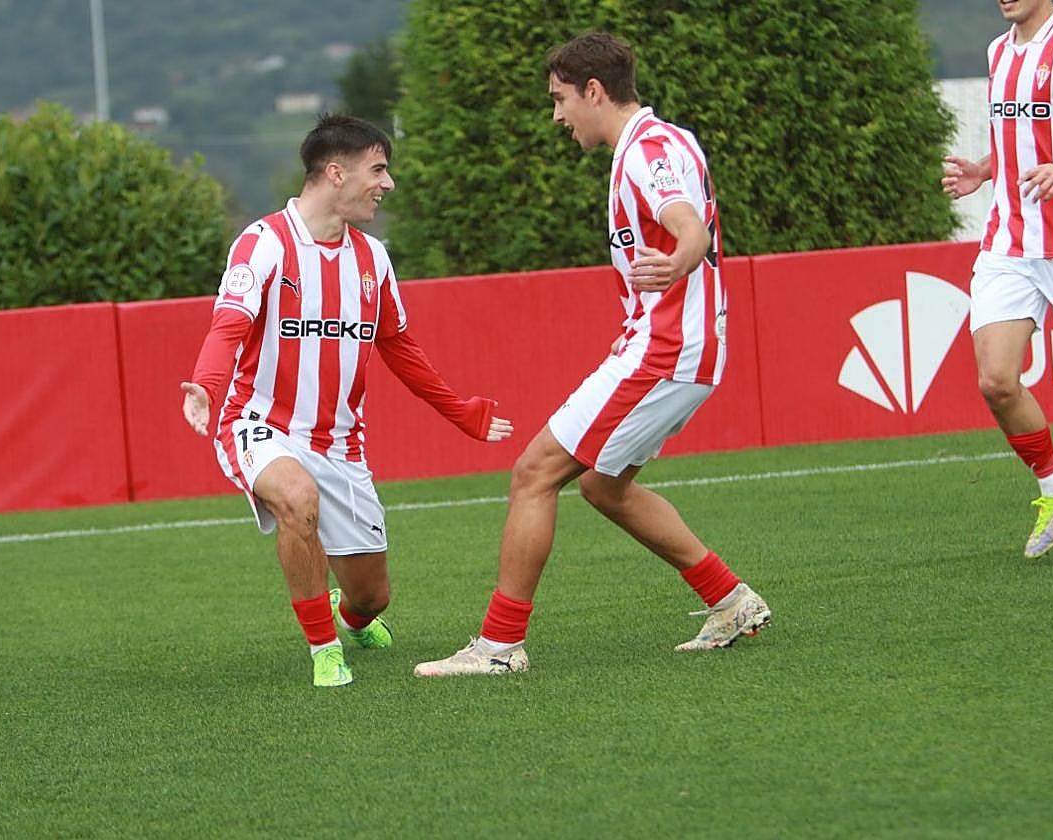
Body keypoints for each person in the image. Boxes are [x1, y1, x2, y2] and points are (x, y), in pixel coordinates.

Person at [414, 32, 770, 678]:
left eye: (560, 99)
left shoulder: (646, 152)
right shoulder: (662, 141)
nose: (557, 115)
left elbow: (686, 226)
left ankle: (498, 648)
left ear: (595, 91)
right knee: (604, 487)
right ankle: (729, 598)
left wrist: (675, 265)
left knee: (533, 472)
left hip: (665, 352)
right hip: (672, 346)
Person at [181, 114, 513, 688]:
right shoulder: (263, 244)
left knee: (372, 596)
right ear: (335, 173)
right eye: (378, 169)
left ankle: (350, 619)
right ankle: (323, 649)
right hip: (258, 424)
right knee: (296, 499)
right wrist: (207, 386)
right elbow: (228, 327)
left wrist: (462, 412)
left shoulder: (373, 260)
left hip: (340, 444)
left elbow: (401, 350)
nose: (387, 184)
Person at [943, 0, 1053, 558]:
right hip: (1010, 241)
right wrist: (983, 171)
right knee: (996, 380)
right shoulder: (997, 51)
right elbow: (1020, 134)